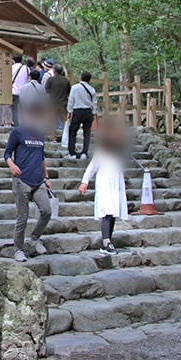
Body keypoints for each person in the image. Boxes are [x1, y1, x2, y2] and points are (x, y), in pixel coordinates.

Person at [4, 110, 53, 263]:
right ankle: (18, 249)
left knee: (46, 211)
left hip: (38, 180)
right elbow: (7, 153)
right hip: (22, 179)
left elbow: (42, 157)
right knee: (22, 217)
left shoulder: (40, 134)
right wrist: (12, 165)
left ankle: (34, 238)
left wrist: (46, 177)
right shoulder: (17, 132)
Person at [78, 124, 128, 255]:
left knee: (112, 214)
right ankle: (106, 243)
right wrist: (85, 182)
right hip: (105, 185)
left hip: (115, 185)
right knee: (106, 211)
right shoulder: (101, 152)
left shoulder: (116, 154)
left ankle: (108, 241)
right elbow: (92, 168)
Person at [66, 71, 99, 159]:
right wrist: (94, 114)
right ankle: (84, 152)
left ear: (81, 78)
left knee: (72, 131)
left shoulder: (75, 87)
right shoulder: (92, 89)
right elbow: (94, 103)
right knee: (87, 132)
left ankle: (72, 153)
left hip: (78, 110)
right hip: (88, 111)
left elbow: (71, 100)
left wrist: (69, 111)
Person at [46, 64, 71, 139]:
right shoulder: (66, 80)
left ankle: (54, 137)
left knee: (52, 122)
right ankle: (67, 137)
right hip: (63, 103)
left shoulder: (50, 79)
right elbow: (68, 91)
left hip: (53, 103)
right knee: (65, 121)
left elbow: (47, 90)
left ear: (54, 71)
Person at [10, 55, 29, 126]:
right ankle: (24, 123)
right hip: (24, 92)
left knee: (14, 109)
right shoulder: (26, 68)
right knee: (23, 109)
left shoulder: (11, 68)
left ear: (13, 60)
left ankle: (16, 123)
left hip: (14, 91)